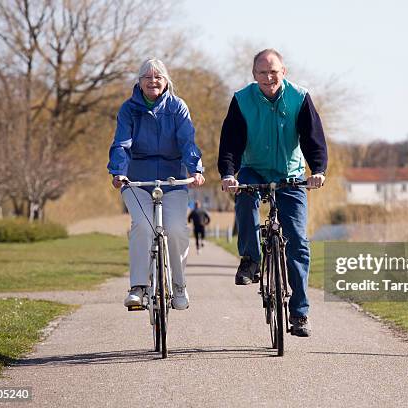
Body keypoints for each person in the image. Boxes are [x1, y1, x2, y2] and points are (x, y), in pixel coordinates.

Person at [218, 49, 327, 337]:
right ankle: (251, 259)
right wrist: (229, 174)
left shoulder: (299, 97)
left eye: (273, 71)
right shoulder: (242, 100)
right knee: (244, 198)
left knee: (298, 241)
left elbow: (313, 138)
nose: (269, 77)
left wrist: (318, 170)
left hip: (289, 174)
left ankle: (300, 313)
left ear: (284, 71)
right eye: (262, 72)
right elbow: (230, 142)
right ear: (254, 75)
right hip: (254, 168)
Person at [108, 58, 205, 310]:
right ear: (139, 82)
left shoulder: (177, 107)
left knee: (175, 229)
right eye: (147, 77)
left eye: (158, 77)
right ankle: (138, 286)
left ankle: (179, 285)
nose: (153, 81)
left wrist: (195, 169)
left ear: (166, 81)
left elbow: (187, 142)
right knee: (142, 226)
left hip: (173, 180)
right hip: (137, 180)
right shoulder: (129, 109)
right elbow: (122, 143)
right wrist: (119, 172)